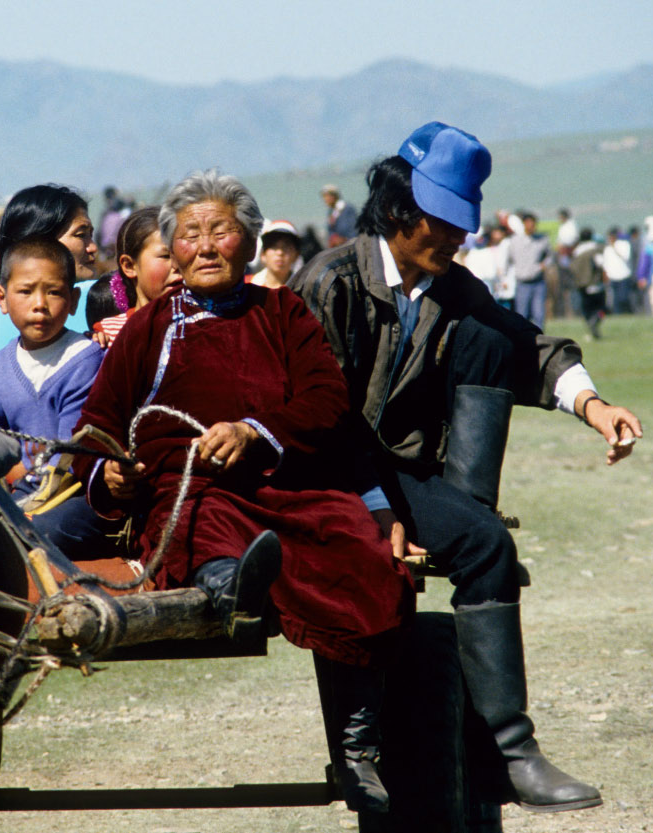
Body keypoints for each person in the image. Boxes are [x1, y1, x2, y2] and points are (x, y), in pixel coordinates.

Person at [292, 121, 643, 814]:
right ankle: (396, 753)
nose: (459, 237)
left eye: (464, 223)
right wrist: (376, 509)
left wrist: (593, 405)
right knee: (401, 569)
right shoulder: (327, 283)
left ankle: (511, 753)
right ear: (398, 212)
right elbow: (318, 421)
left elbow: (528, 346)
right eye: (445, 222)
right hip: (330, 477)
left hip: (406, 477)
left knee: (486, 539)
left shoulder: (453, 285)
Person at [76, 170, 414, 814]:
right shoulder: (148, 329)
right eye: (191, 234)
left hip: (289, 487)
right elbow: (97, 424)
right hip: (192, 490)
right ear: (173, 249)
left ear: (249, 241)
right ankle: (231, 582)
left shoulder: (283, 314)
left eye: (221, 231)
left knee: (361, 551)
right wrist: (110, 473)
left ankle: (358, 744)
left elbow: (326, 401)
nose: (206, 246)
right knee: (204, 519)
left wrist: (255, 432)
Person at [0, 236, 110, 557]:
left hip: (75, 496)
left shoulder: (86, 359)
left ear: (74, 300)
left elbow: (70, 459)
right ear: (2, 299)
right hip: (21, 494)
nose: (40, 304)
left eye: (54, 292)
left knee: (47, 529)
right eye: (26, 291)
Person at [0, 183, 100, 352]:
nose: (93, 248)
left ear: (73, 301)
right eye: (81, 235)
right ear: (39, 241)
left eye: (91, 235)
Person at [92, 207, 175, 345]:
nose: (178, 266)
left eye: (183, 255)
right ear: (129, 266)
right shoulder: (110, 336)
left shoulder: (202, 325)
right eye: (166, 256)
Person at [506, 210, 550, 329]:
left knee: (539, 314)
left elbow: (550, 257)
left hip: (538, 282)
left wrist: (543, 265)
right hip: (522, 282)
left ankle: (540, 339)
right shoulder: (515, 241)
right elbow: (509, 259)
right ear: (524, 224)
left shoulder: (542, 240)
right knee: (522, 314)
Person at [571, 227, 606, 339]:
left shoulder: (576, 251)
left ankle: (590, 322)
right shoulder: (595, 249)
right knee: (601, 308)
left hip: (582, 285)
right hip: (595, 283)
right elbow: (600, 264)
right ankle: (596, 320)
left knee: (587, 308)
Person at [250, 220, 304, 289]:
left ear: (296, 255)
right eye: (274, 246)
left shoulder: (304, 291)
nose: (280, 252)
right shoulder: (246, 286)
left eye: (286, 247)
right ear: (263, 254)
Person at [601, 226, 635, 314]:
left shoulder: (624, 244)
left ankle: (627, 312)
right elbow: (606, 263)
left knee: (623, 297)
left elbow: (625, 257)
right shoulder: (607, 248)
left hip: (624, 274)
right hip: (612, 276)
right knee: (614, 299)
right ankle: (617, 314)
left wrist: (614, 247)